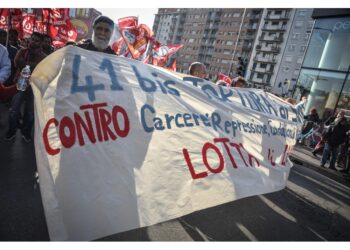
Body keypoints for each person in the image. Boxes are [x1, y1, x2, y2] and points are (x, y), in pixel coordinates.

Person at [5, 32, 47, 142]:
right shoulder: (23, 51)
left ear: (41, 42)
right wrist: (32, 65)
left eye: (37, 40)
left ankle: (26, 132)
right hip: (20, 84)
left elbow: (42, 70)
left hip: (33, 87)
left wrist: (26, 64)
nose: (33, 42)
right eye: (32, 39)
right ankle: (12, 130)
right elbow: (16, 62)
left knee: (30, 112)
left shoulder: (43, 57)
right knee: (14, 110)